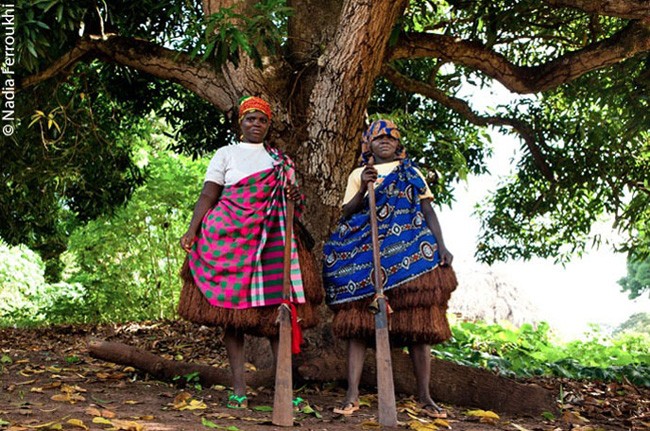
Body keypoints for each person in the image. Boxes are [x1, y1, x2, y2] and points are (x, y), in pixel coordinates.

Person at [178, 96, 322, 409]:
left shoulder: (281, 162)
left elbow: (293, 205)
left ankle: (284, 388)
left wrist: (293, 194)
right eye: (250, 119)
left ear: (268, 125)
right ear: (240, 123)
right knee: (232, 318)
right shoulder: (225, 154)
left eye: (262, 120)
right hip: (228, 238)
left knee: (276, 316)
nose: (256, 124)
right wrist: (192, 229)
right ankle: (239, 390)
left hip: (272, 239)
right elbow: (208, 194)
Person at [323, 119, 457, 417]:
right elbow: (347, 212)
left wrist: (442, 245)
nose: (385, 140)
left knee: (419, 325)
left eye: (391, 137)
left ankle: (425, 396)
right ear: (368, 145)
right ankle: (352, 394)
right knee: (358, 324)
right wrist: (364, 186)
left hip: (411, 253)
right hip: (366, 256)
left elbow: (427, 210)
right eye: (378, 137)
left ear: (398, 144)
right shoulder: (359, 173)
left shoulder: (411, 172)